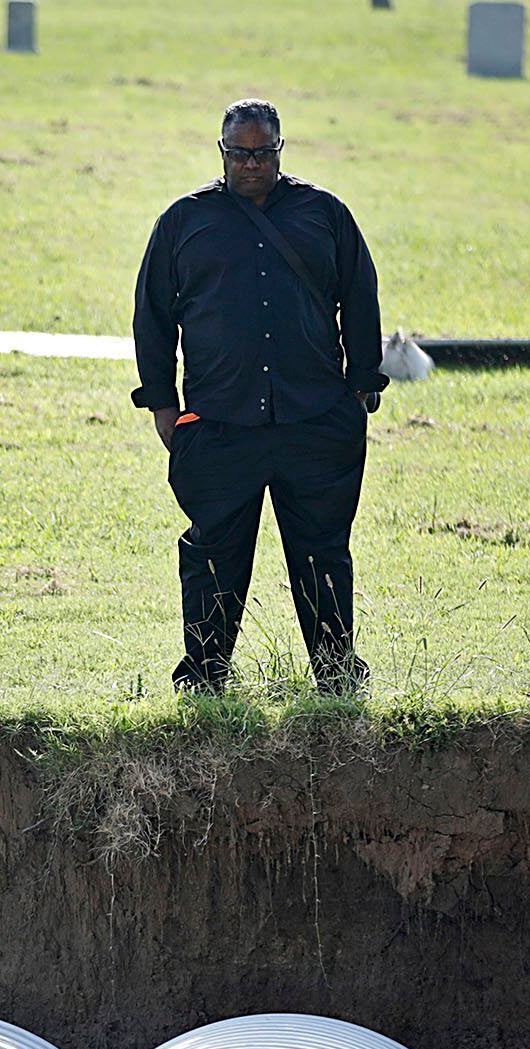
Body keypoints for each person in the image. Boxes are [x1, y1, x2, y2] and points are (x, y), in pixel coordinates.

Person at [131, 99, 387, 696]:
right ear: (221, 152)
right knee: (212, 554)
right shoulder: (183, 222)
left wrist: (362, 386)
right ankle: (204, 677)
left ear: (280, 150)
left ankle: (337, 675)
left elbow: (361, 296)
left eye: (262, 152)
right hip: (219, 424)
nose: (251, 164)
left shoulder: (324, 215)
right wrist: (164, 407)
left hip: (315, 419)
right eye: (239, 152)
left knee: (323, 551)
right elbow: (152, 317)